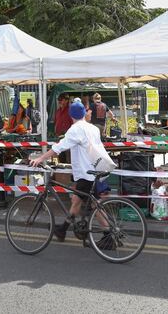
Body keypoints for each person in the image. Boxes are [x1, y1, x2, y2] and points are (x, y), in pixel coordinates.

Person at [30, 102, 114, 249]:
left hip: (86, 173)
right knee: (77, 200)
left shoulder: (75, 130)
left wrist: (40, 159)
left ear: (71, 115)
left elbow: (58, 148)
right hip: (96, 169)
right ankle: (62, 229)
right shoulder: (93, 128)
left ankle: (109, 235)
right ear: (83, 113)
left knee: (94, 205)